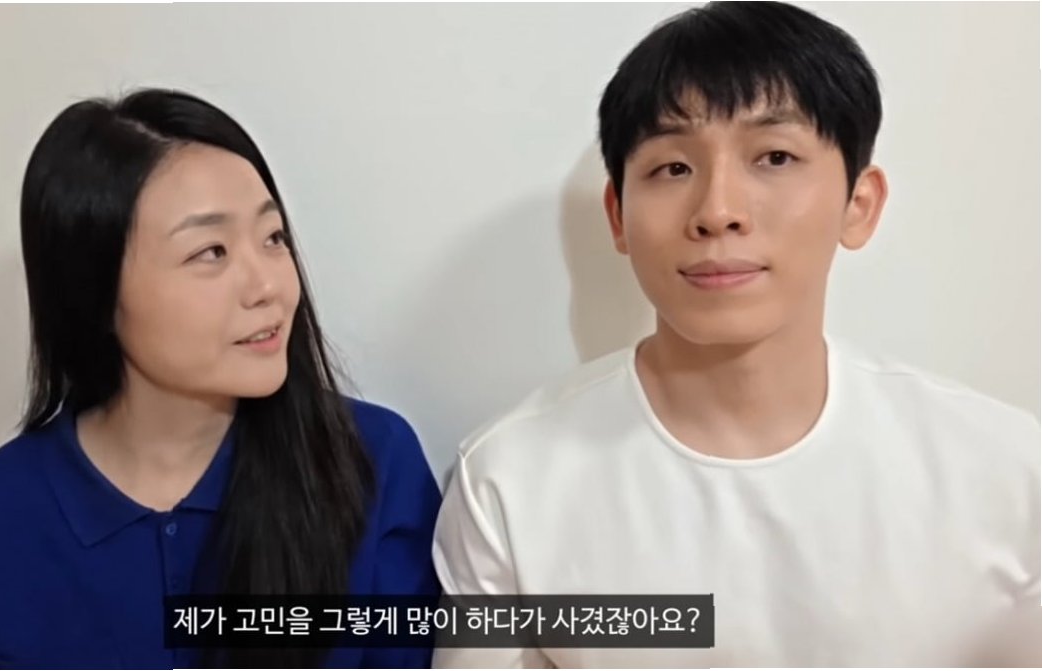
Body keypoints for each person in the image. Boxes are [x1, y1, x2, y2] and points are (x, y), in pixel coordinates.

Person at [432, 2, 1040, 667]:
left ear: (859, 205)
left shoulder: (1008, 471)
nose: (718, 211)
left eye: (775, 156)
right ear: (618, 215)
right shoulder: (511, 480)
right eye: (673, 168)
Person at [0, 88, 441, 669]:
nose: (268, 285)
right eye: (210, 252)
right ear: (94, 294)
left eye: (273, 238)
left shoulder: (371, 464)